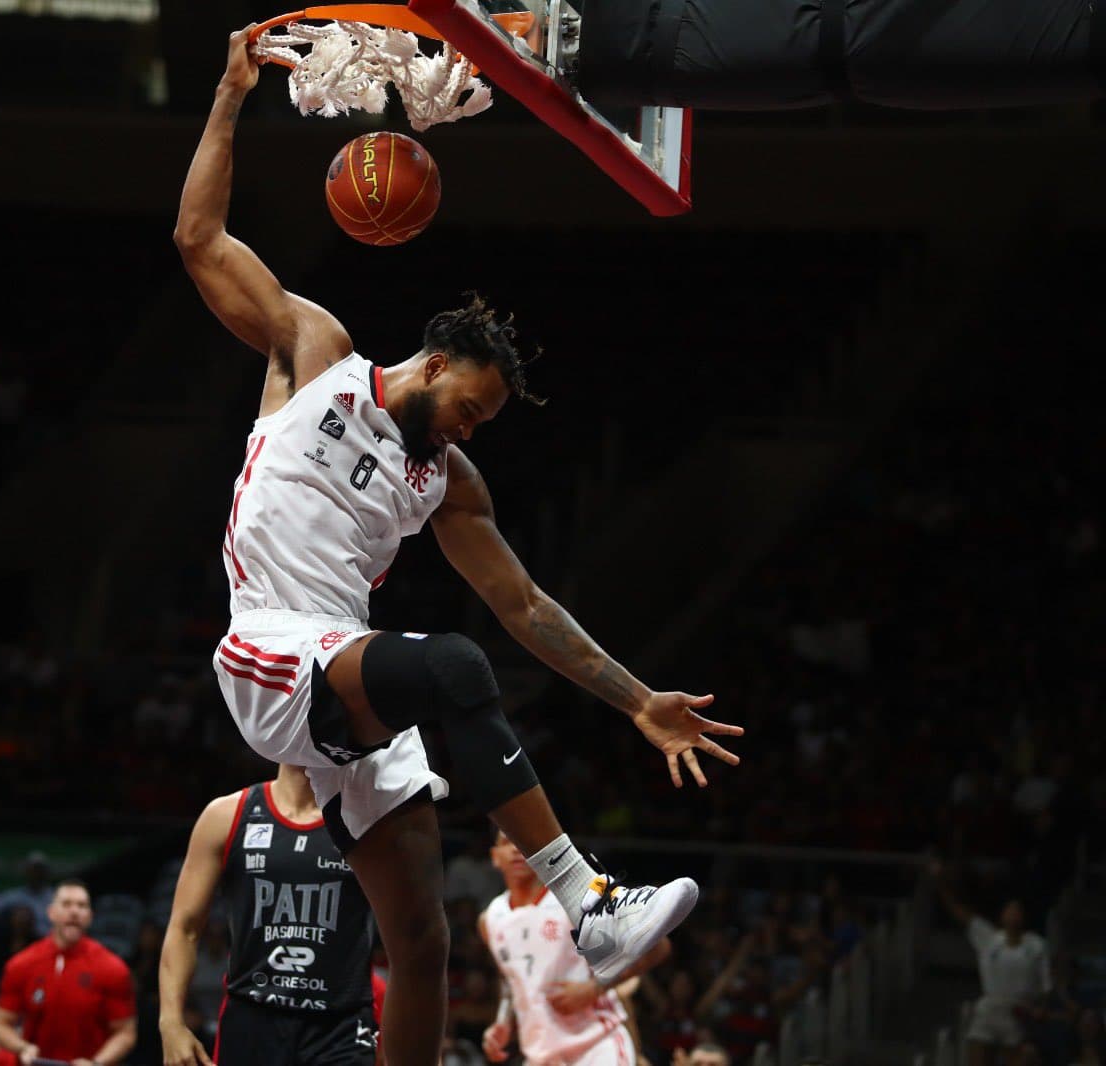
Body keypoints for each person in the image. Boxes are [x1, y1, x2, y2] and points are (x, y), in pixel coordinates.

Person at [175, 26, 743, 1066]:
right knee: (449, 663)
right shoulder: (318, 355)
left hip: (344, 676)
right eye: (468, 409)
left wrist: (636, 700)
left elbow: (527, 606)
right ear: (433, 362)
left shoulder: (447, 480)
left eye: (479, 425)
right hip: (268, 649)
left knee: (425, 940)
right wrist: (227, 97)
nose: (467, 431)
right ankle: (590, 899)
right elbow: (200, 242)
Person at [159, 764, 380, 1066]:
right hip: (252, 1018)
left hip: (342, 1026)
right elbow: (184, 928)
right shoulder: (226, 815)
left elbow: (410, 940)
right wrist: (170, 1022)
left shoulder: (373, 821)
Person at [480, 830, 669, 1065]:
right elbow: (509, 979)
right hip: (541, 1055)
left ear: (538, 852)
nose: (516, 849)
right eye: (507, 843)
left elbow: (657, 945)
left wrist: (594, 988)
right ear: (495, 856)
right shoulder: (490, 918)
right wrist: (503, 1022)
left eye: (521, 840)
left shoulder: (577, 898)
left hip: (597, 1046)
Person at [0, 879, 137, 1065]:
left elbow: (125, 1032)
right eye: (66, 904)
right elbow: (0, 1023)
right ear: (51, 913)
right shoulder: (21, 964)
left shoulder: (113, 968)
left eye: (81, 905)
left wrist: (97, 1062)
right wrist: (22, 1047)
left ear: (90, 916)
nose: (74, 911)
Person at [930, 862, 1050, 1066]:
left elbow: (1046, 985)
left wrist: (1040, 1008)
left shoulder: (1037, 945)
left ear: (1024, 916)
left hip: (1018, 1011)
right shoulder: (989, 938)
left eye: (1017, 910)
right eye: (1009, 909)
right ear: (1002, 916)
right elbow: (959, 911)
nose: (1013, 913)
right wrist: (939, 882)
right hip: (989, 1009)